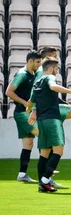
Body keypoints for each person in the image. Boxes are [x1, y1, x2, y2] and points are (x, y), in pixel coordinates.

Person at [30, 59, 71, 193]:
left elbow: (30, 102)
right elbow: (53, 87)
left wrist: (30, 113)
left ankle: (42, 185)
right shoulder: (50, 77)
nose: (57, 71)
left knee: (44, 153)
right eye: (57, 69)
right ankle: (44, 181)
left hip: (41, 121)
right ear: (51, 69)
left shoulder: (37, 82)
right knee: (58, 151)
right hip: (52, 120)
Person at [6, 50, 42, 183]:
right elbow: (8, 92)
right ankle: (46, 171)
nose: (39, 65)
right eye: (37, 62)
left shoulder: (33, 74)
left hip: (25, 112)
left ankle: (22, 174)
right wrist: (24, 102)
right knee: (43, 134)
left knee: (28, 144)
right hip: (22, 113)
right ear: (30, 61)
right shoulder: (21, 74)